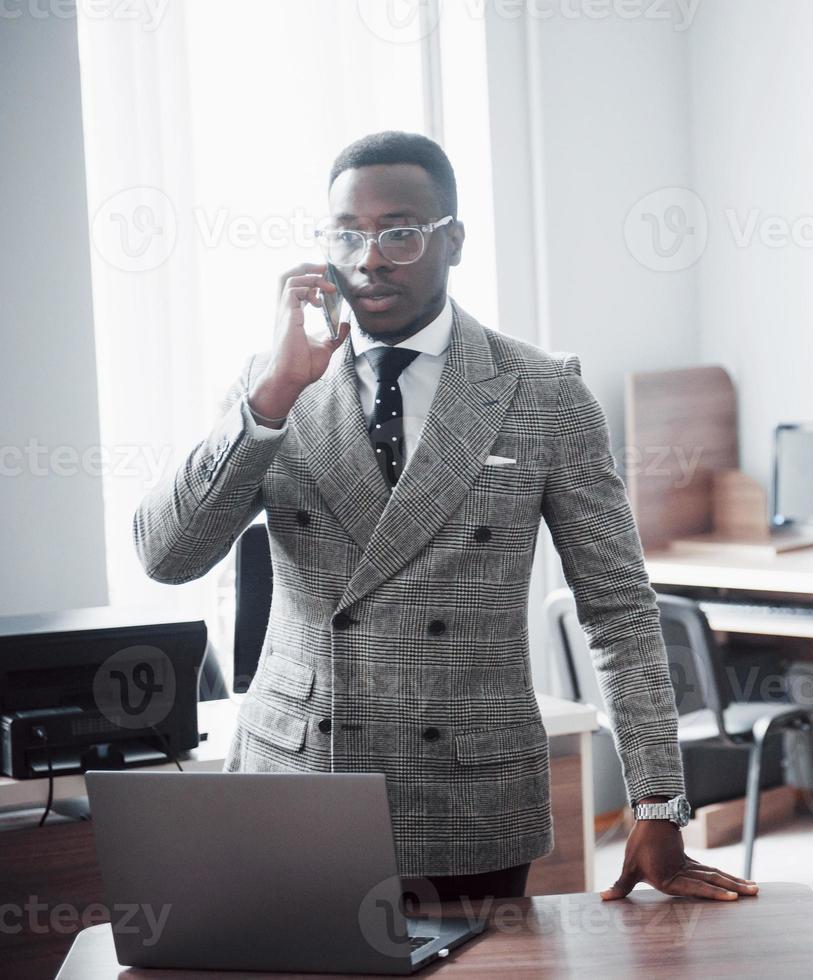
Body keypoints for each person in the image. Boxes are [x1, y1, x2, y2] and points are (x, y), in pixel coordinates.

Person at [134, 131, 755, 905]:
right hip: (296, 783)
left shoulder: (543, 394)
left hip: (469, 798)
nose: (369, 259)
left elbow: (620, 610)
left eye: (399, 231)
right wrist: (271, 398)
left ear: (452, 239)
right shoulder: (274, 385)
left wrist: (657, 800)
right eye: (347, 234)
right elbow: (168, 556)